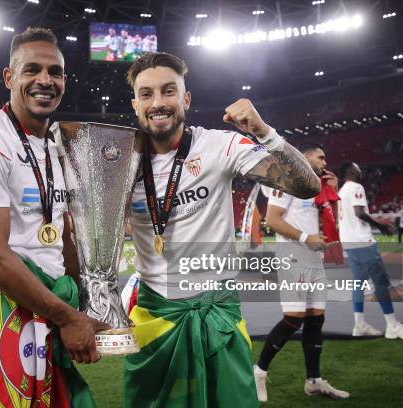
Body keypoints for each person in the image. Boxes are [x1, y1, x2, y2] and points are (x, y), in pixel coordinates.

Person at [123, 52, 321, 408]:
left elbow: (307, 186)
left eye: (169, 91)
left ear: (185, 98)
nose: (158, 103)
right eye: (147, 94)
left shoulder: (221, 145)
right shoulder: (119, 161)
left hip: (219, 311)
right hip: (156, 316)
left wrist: (265, 132)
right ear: (135, 103)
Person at [0, 27, 108, 407]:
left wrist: (85, 306)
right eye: (32, 70)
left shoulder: (57, 148)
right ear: (10, 78)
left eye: (55, 72)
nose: (45, 80)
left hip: (45, 305)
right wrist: (68, 318)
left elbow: (62, 235)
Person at [254, 143, 349, 402]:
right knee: (294, 318)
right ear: (305, 158)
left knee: (316, 318)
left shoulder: (314, 187)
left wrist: (334, 191)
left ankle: (314, 381)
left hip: (313, 258)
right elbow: (272, 219)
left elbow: (331, 223)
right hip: (293, 256)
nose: (325, 161)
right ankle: (259, 372)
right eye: (321, 157)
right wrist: (306, 237)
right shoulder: (287, 178)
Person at [338, 162, 403, 340]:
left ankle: (359, 324)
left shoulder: (341, 191)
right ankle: (392, 326)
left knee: (358, 284)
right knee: (381, 282)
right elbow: (359, 212)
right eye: (359, 169)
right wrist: (380, 225)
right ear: (352, 171)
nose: (361, 172)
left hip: (350, 243)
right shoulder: (356, 187)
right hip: (363, 242)